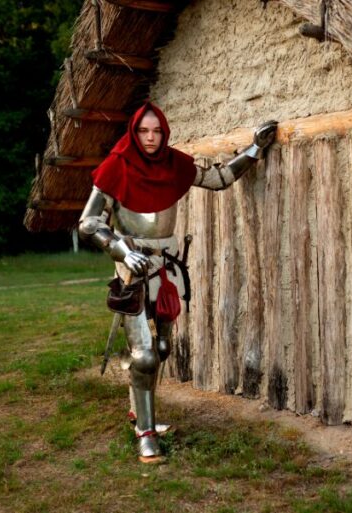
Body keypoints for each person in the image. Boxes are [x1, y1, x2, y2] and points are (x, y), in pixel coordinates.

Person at [78, 102, 277, 462]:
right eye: (144, 131)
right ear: (134, 133)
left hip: (166, 270)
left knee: (164, 351)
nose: (151, 138)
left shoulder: (175, 164)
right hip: (132, 273)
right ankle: (145, 433)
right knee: (144, 356)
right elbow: (89, 223)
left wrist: (254, 149)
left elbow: (218, 179)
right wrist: (121, 250)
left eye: (156, 131)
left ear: (164, 132)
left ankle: (139, 410)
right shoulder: (115, 167)